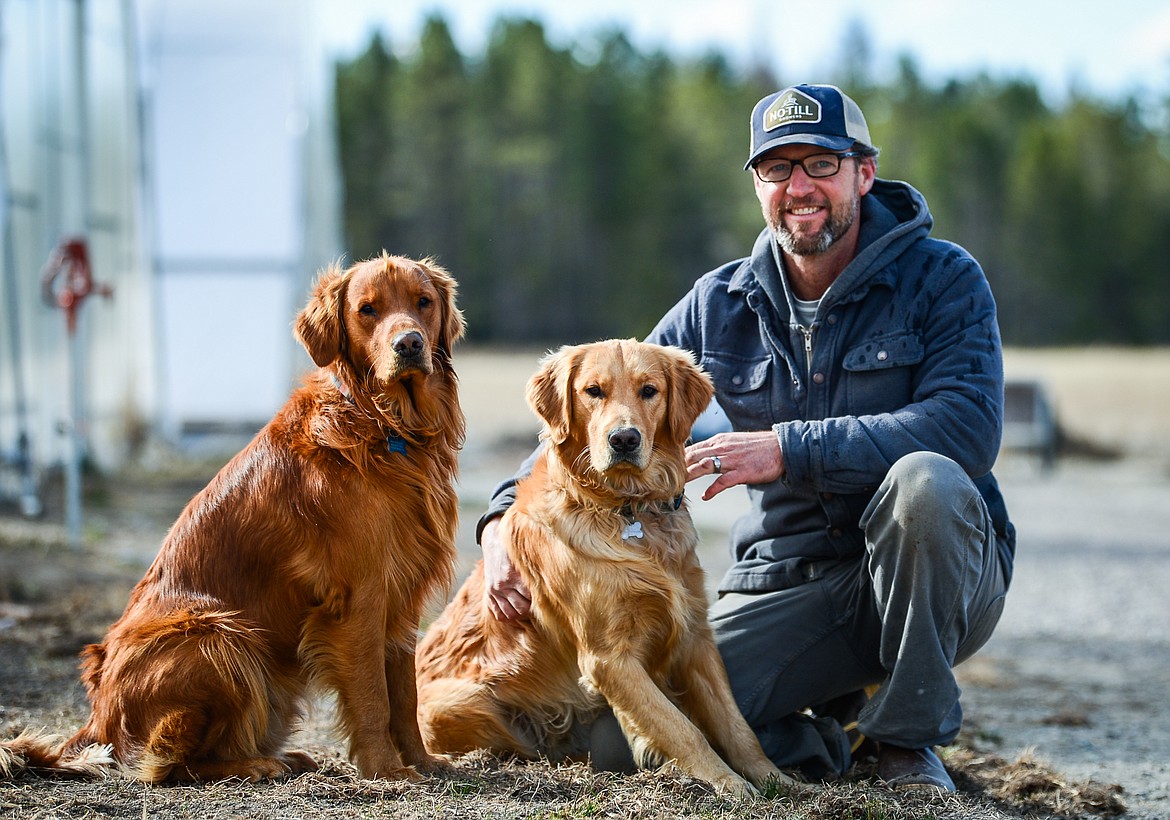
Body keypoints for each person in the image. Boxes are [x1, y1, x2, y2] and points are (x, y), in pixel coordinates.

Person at [476, 83, 1014, 791]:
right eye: (777, 168)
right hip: (791, 586)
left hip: (934, 577)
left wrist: (790, 448)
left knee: (928, 485)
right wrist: (498, 523)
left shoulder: (944, 279)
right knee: (620, 743)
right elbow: (602, 417)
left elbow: (966, 430)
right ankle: (831, 735)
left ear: (864, 172)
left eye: (820, 164)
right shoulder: (718, 303)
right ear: (757, 185)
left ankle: (909, 742)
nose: (800, 187)